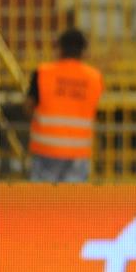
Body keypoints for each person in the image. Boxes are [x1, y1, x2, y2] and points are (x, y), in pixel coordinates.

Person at [24, 28, 103, 182]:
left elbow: (28, 106)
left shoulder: (43, 73)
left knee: (41, 202)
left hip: (45, 150)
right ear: (83, 51)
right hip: (78, 153)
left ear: (59, 48)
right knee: (71, 203)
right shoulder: (94, 78)